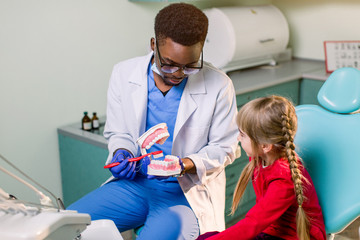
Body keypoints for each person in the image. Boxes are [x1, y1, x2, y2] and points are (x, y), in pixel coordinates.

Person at [67, 3, 239, 240]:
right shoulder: (123, 74)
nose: (177, 74)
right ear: (153, 45)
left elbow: (225, 148)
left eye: (189, 66)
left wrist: (184, 164)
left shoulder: (219, 85)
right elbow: (119, 132)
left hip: (184, 194)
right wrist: (121, 152)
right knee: (65, 227)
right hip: (134, 185)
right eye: (168, 63)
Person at [197, 95, 326, 240]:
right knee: (206, 237)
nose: (238, 139)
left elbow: (253, 223)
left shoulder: (283, 179)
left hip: (294, 236)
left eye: (242, 135)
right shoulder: (262, 156)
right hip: (271, 229)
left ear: (265, 146)